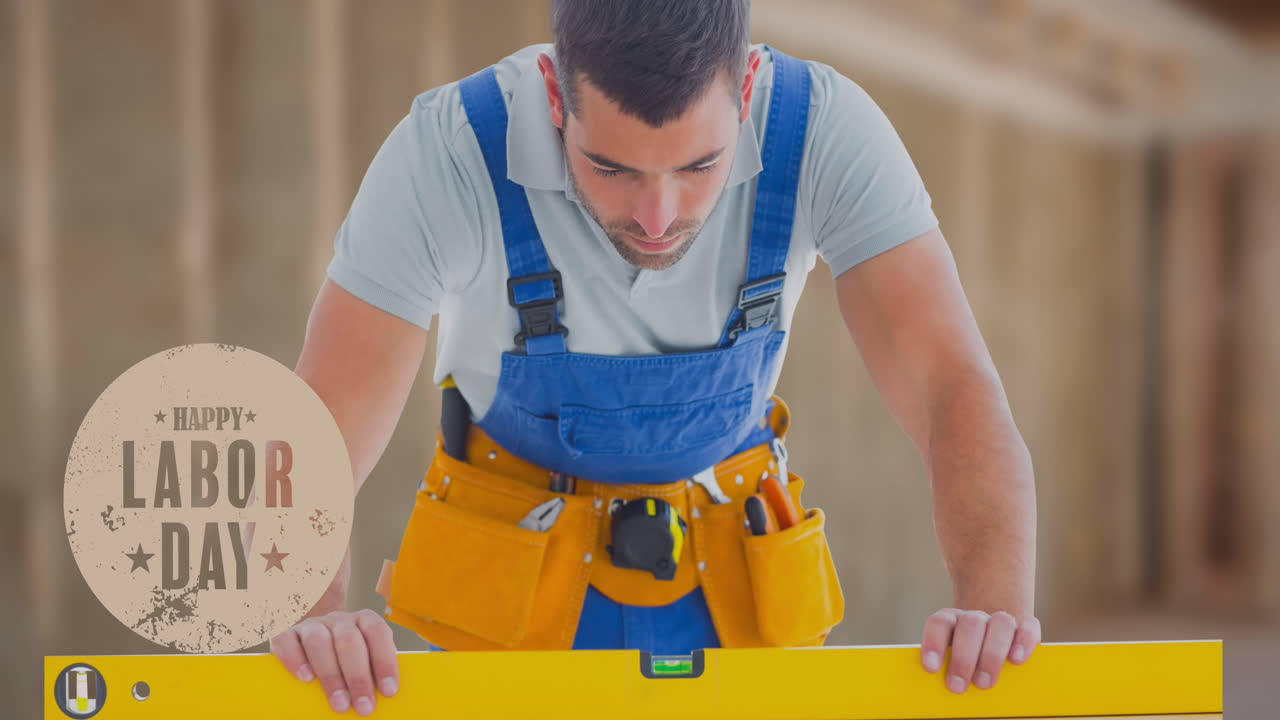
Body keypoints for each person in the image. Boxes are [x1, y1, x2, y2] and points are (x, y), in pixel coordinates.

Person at [269, 0, 1041, 716]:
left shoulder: (822, 130)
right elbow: (321, 428)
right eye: (612, 167)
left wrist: (994, 614)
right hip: (513, 581)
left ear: (745, 91)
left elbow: (951, 383)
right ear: (552, 96)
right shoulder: (450, 152)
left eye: (699, 166)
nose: (657, 218)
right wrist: (314, 619)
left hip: (735, 568)